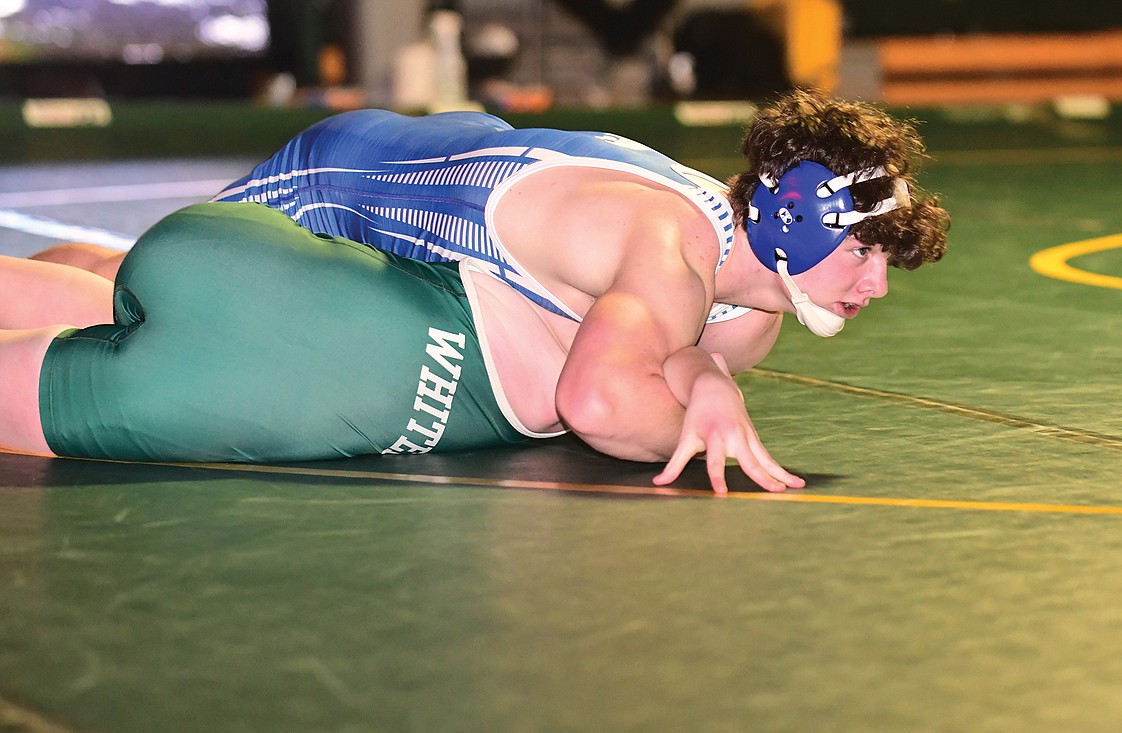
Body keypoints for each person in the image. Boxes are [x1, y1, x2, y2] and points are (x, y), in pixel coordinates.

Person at [3, 89, 949, 493]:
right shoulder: (669, 242)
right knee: (176, 301)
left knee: (136, 299)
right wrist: (711, 437)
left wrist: (707, 378)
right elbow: (601, 401)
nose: (875, 284)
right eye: (865, 253)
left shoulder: (743, 313)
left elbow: (675, 341)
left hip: (450, 184)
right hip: (349, 179)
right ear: (794, 223)